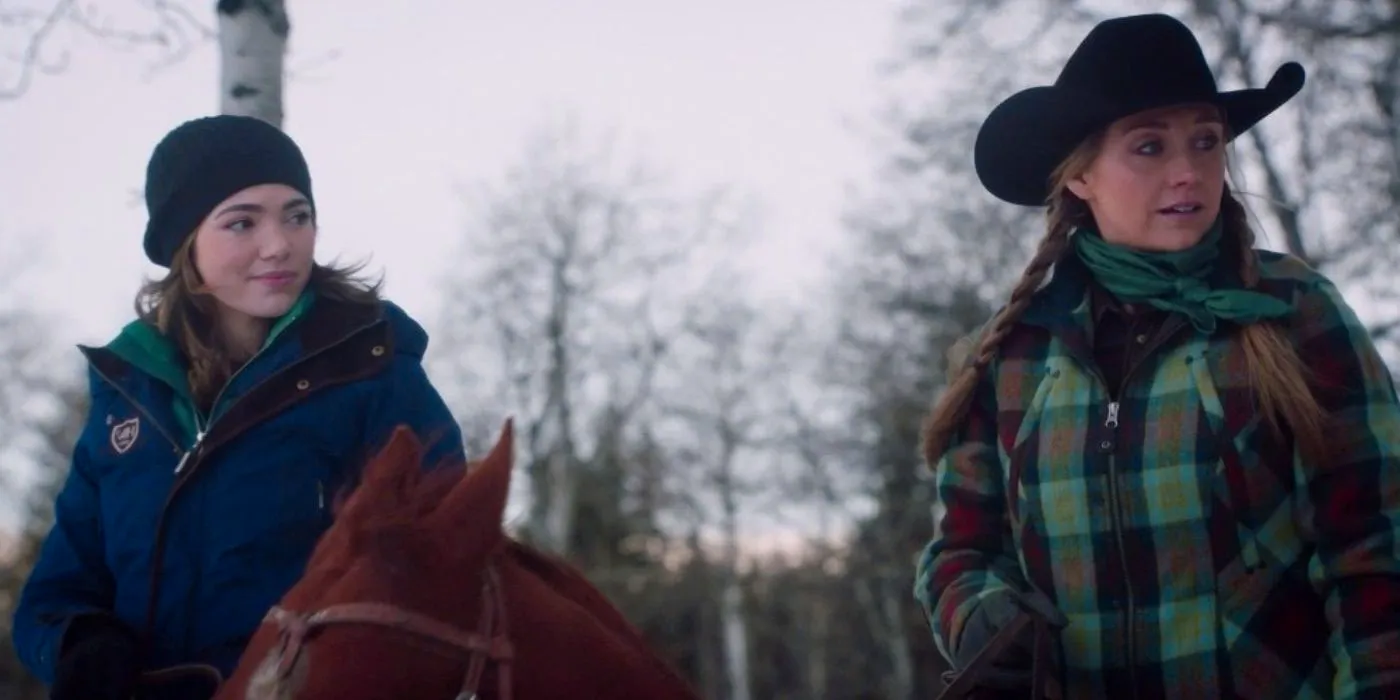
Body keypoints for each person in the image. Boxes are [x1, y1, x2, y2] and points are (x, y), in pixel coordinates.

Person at [913, 13, 1400, 699]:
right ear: (1079, 175)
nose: (1188, 172)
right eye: (1149, 147)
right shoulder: (1012, 353)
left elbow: (1375, 553)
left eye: (1205, 142)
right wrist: (983, 617)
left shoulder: (1295, 312)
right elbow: (961, 553)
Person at [11, 114, 467, 700]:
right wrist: (82, 643)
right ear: (185, 243)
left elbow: (442, 565)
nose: (279, 244)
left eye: (296, 215)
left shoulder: (372, 373)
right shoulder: (127, 398)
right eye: (242, 222)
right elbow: (54, 597)